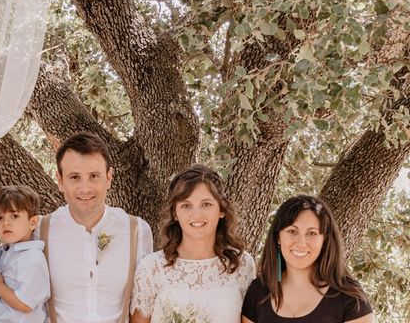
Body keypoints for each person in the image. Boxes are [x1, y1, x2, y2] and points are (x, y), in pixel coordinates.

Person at [37, 131, 154, 323]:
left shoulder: (137, 231)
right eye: (74, 177)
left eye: (94, 176)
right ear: (60, 180)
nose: (85, 188)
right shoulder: (39, 231)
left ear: (108, 178)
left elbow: (144, 304)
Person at [130, 165, 255, 323]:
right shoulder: (151, 268)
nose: (196, 215)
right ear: (175, 213)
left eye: (206, 204)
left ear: (221, 209)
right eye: (186, 205)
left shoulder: (242, 265)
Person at [241, 195, 374, 323]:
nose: (301, 243)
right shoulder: (259, 290)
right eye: (292, 231)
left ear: (325, 240)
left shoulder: (349, 297)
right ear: (278, 237)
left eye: (312, 233)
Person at [0, 185, 50, 322]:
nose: (6, 223)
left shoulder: (32, 258)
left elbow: (26, 304)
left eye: (14, 216)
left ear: (32, 223)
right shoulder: (4, 252)